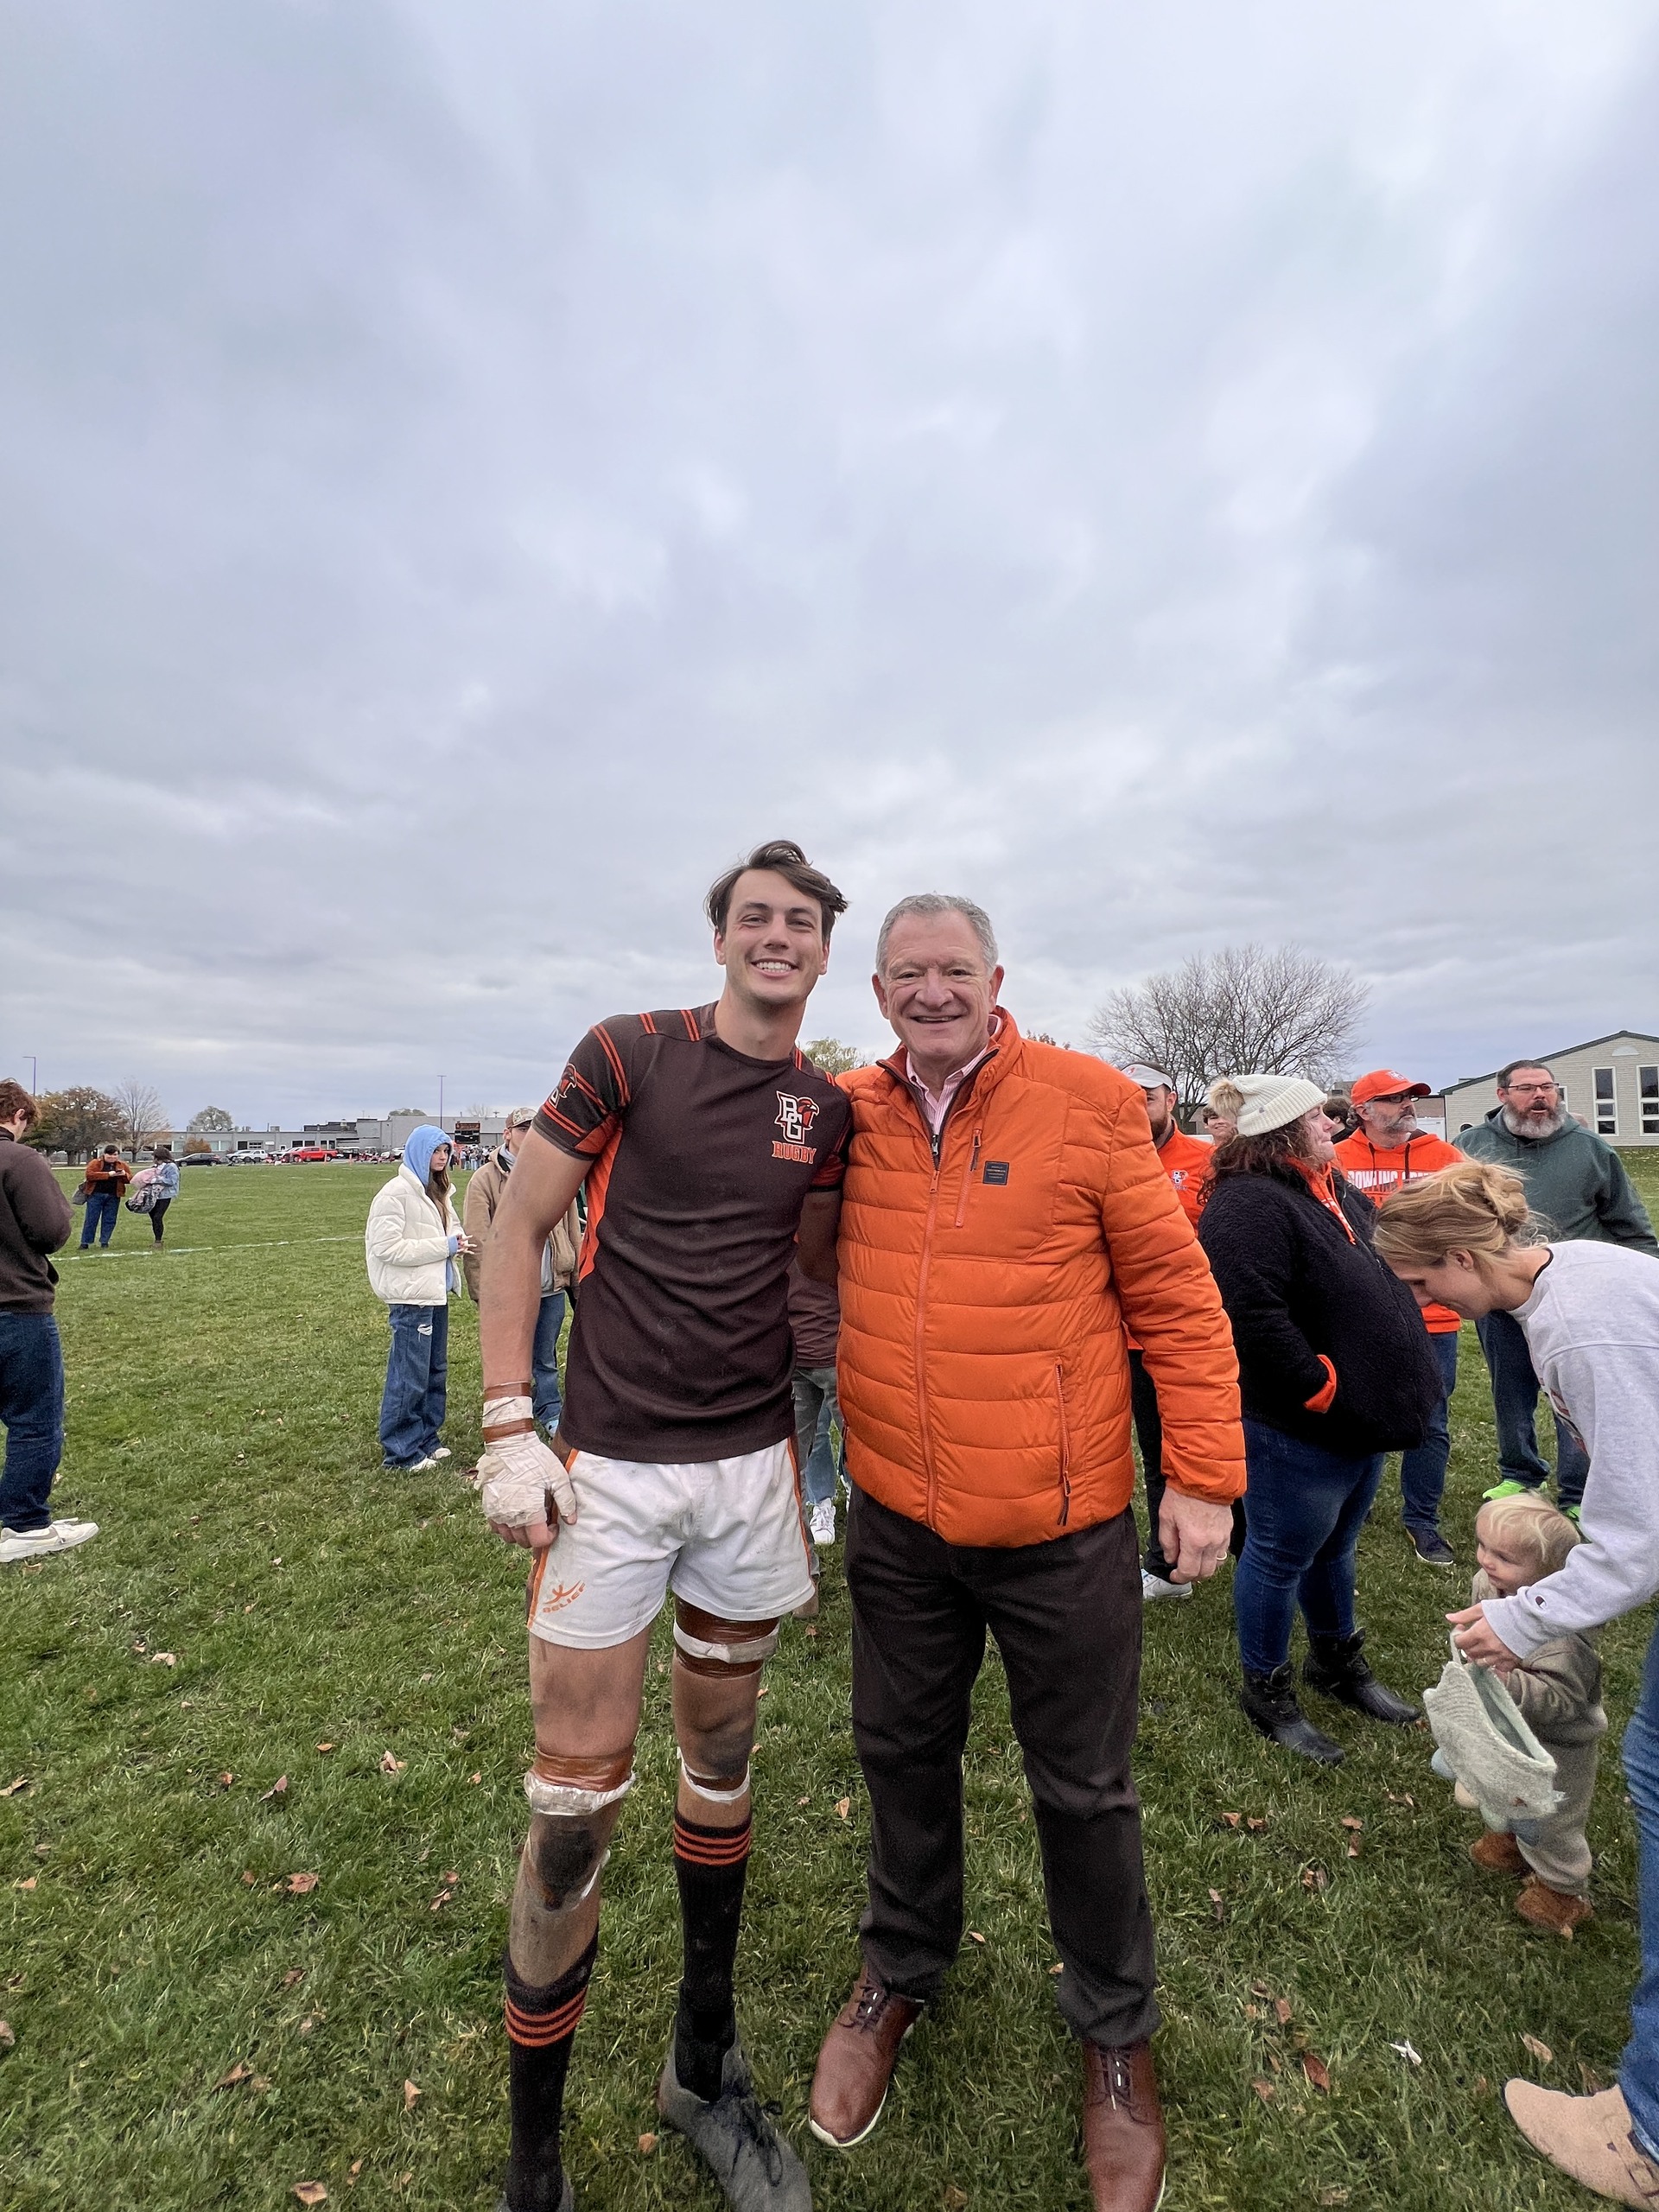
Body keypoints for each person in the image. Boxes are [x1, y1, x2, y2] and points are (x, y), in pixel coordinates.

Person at [806, 894, 1244, 2212]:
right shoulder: (853, 1115)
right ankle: (901, 1970)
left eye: (955, 971)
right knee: (898, 1752)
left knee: (1086, 1791)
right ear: (877, 994)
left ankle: (1116, 2033)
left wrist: (1207, 1481)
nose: (933, 992)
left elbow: (1174, 1298)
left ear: (996, 978)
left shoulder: (1089, 1101)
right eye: (908, 975)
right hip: (897, 1522)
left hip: (1061, 1529)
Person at [475, 839, 850, 2212]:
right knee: (572, 1812)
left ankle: (703, 2064)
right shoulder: (629, 1050)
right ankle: (536, 2163)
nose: (777, 937)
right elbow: (514, 1230)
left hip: (750, 1474)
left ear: (822, 950)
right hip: (614, 1474)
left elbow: (811, 1274)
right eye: (755, 917)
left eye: (800, 922)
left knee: (723, 1771)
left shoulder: (826, 1109)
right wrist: (509, 1418)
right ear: (720, 940)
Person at [1372, 1161, 1659, 2208]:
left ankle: (1651, 2133)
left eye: (1419, 1282)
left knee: (1651, 1767)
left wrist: (1515, 1618)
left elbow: (1638, 1535)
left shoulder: (1580, 1327)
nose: (1422, 1302)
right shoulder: (1570, 1281)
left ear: (1464, 1257)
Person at [1197, 1076, 1440, 1765]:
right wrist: (1321, 1390)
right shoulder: (1248, 1204)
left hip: (1356, 1424)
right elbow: (1249, 1318)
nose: (1333, 1126)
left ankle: (1336, 1664)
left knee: (1335, 1548)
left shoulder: (1328, 1189)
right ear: (1281, 1130)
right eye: (1317, 1119)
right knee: (1277, 1556)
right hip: (1298, 1428)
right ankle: (1265, 1690)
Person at [1457, 1059, 1656, 1514]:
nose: (1542, 1096)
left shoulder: (1589, 1148)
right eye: (1528, 1088)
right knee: (1511, 1388)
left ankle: (1578, 1491)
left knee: (1576, 1390)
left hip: (1577, 1299)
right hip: (1500, 1292)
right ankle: (1519, 1475)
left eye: (1548, 1087)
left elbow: (1632, 1225)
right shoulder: (1470, 1148)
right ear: (1502, 1094)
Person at [1333, 1068, 1468, 1567]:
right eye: (1394, 1099)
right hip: (1360, 1313)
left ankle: (1422, 1519)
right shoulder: (1338, 1159)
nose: (1408, 1105)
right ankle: (1352, 1502)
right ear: (1364, 1111)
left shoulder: (1445, 1158)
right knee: (1354, 1410)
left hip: (1432, 1316)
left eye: (1411, 1098)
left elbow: (1470, 1226)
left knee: (1430, 1419)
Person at [1116, 1064, 1236, 1603]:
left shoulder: (1207, 1162)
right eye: (1128, 1096)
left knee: (1215, 1443)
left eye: (1147, 1095)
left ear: (1170, 1098)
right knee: (1153, 1448)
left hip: (1194, 1333)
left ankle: (1244, 1547)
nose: (1137, 1104)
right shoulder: (1106, 1155)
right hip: (1125, 1337)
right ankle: (1168, 1566)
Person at [1462, 1491, 1603, 1936]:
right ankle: (1514, 1839)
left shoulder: (1565, 1639)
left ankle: (1563, 1887)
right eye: (1483, 1546)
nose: (1486, 1560)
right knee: (1505, 1787)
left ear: (1548, 1577)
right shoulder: (1492, 1585)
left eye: (1503, 1556)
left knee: (1553, 1815)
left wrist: (1509, 1682)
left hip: (1558, 1747)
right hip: (1510, 1730)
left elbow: (1563, 1701)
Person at [0, 1081, 98, 1566]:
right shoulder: (18, 1161)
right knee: (35, 1421)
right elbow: (51, 1231)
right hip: (14, 1308)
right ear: (18, 1114)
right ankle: (25, 1524)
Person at [463, 1109, 581, 1437]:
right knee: (512, 1359)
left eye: (536, 1127)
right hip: (511, 1289)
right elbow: (477, 1238)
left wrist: (575, 1274)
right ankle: (512, 1416)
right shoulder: (484, 1180)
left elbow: (572, 1229)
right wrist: (483, 1290)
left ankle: (550, 1409)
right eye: (524, 1127)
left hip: (551, 1286)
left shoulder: (556, 1173)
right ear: (507, 1133)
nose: (530, 1133)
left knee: (545, 1357)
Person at [365, 1127, 467, 1473]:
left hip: (435, 1293)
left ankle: (426, 1438)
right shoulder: (394, 1195)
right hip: (411, 1298)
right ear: (419, 1152)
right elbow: (387, 1248)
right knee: (408, 1375)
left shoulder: (440, 1192)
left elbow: (451, 1227)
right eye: (436, 1152)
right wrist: (445, 1246)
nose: (442, 1158)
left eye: (445, 1152)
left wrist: (458, 1238)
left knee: (434, 1371)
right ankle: (401, 1450)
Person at [789, 1255, 842, 1548]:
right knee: (790, 1467)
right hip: (799, 1353)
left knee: (789, 1468)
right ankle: (821, 1504)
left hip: (832, 1350)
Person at [79, 1143, 130, 1250]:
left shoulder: (122, 1165)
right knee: (91, 1219)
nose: (112, 1158)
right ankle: (85, 1242)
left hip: (114, 1196)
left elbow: (130, 1179)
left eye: (115, 1155)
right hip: (95, 1195)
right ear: (104, 1155)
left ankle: (104, 1241)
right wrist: (108, 1175)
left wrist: (124, 1175)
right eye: (109, 1155)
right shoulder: (95, 1163)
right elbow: (89, 1175)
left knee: (110, 1220)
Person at [143, 1143, 181, 1247]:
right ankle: (157, 1239)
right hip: (154, 1195)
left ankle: (158, 1241)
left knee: (157, 1217)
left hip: (165, 1196)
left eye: (154, 1157)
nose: (153, 1159)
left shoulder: (171, 1167)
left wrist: (156, 1180)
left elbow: (172, 1181)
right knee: (153, 1217)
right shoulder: (156, 1167)